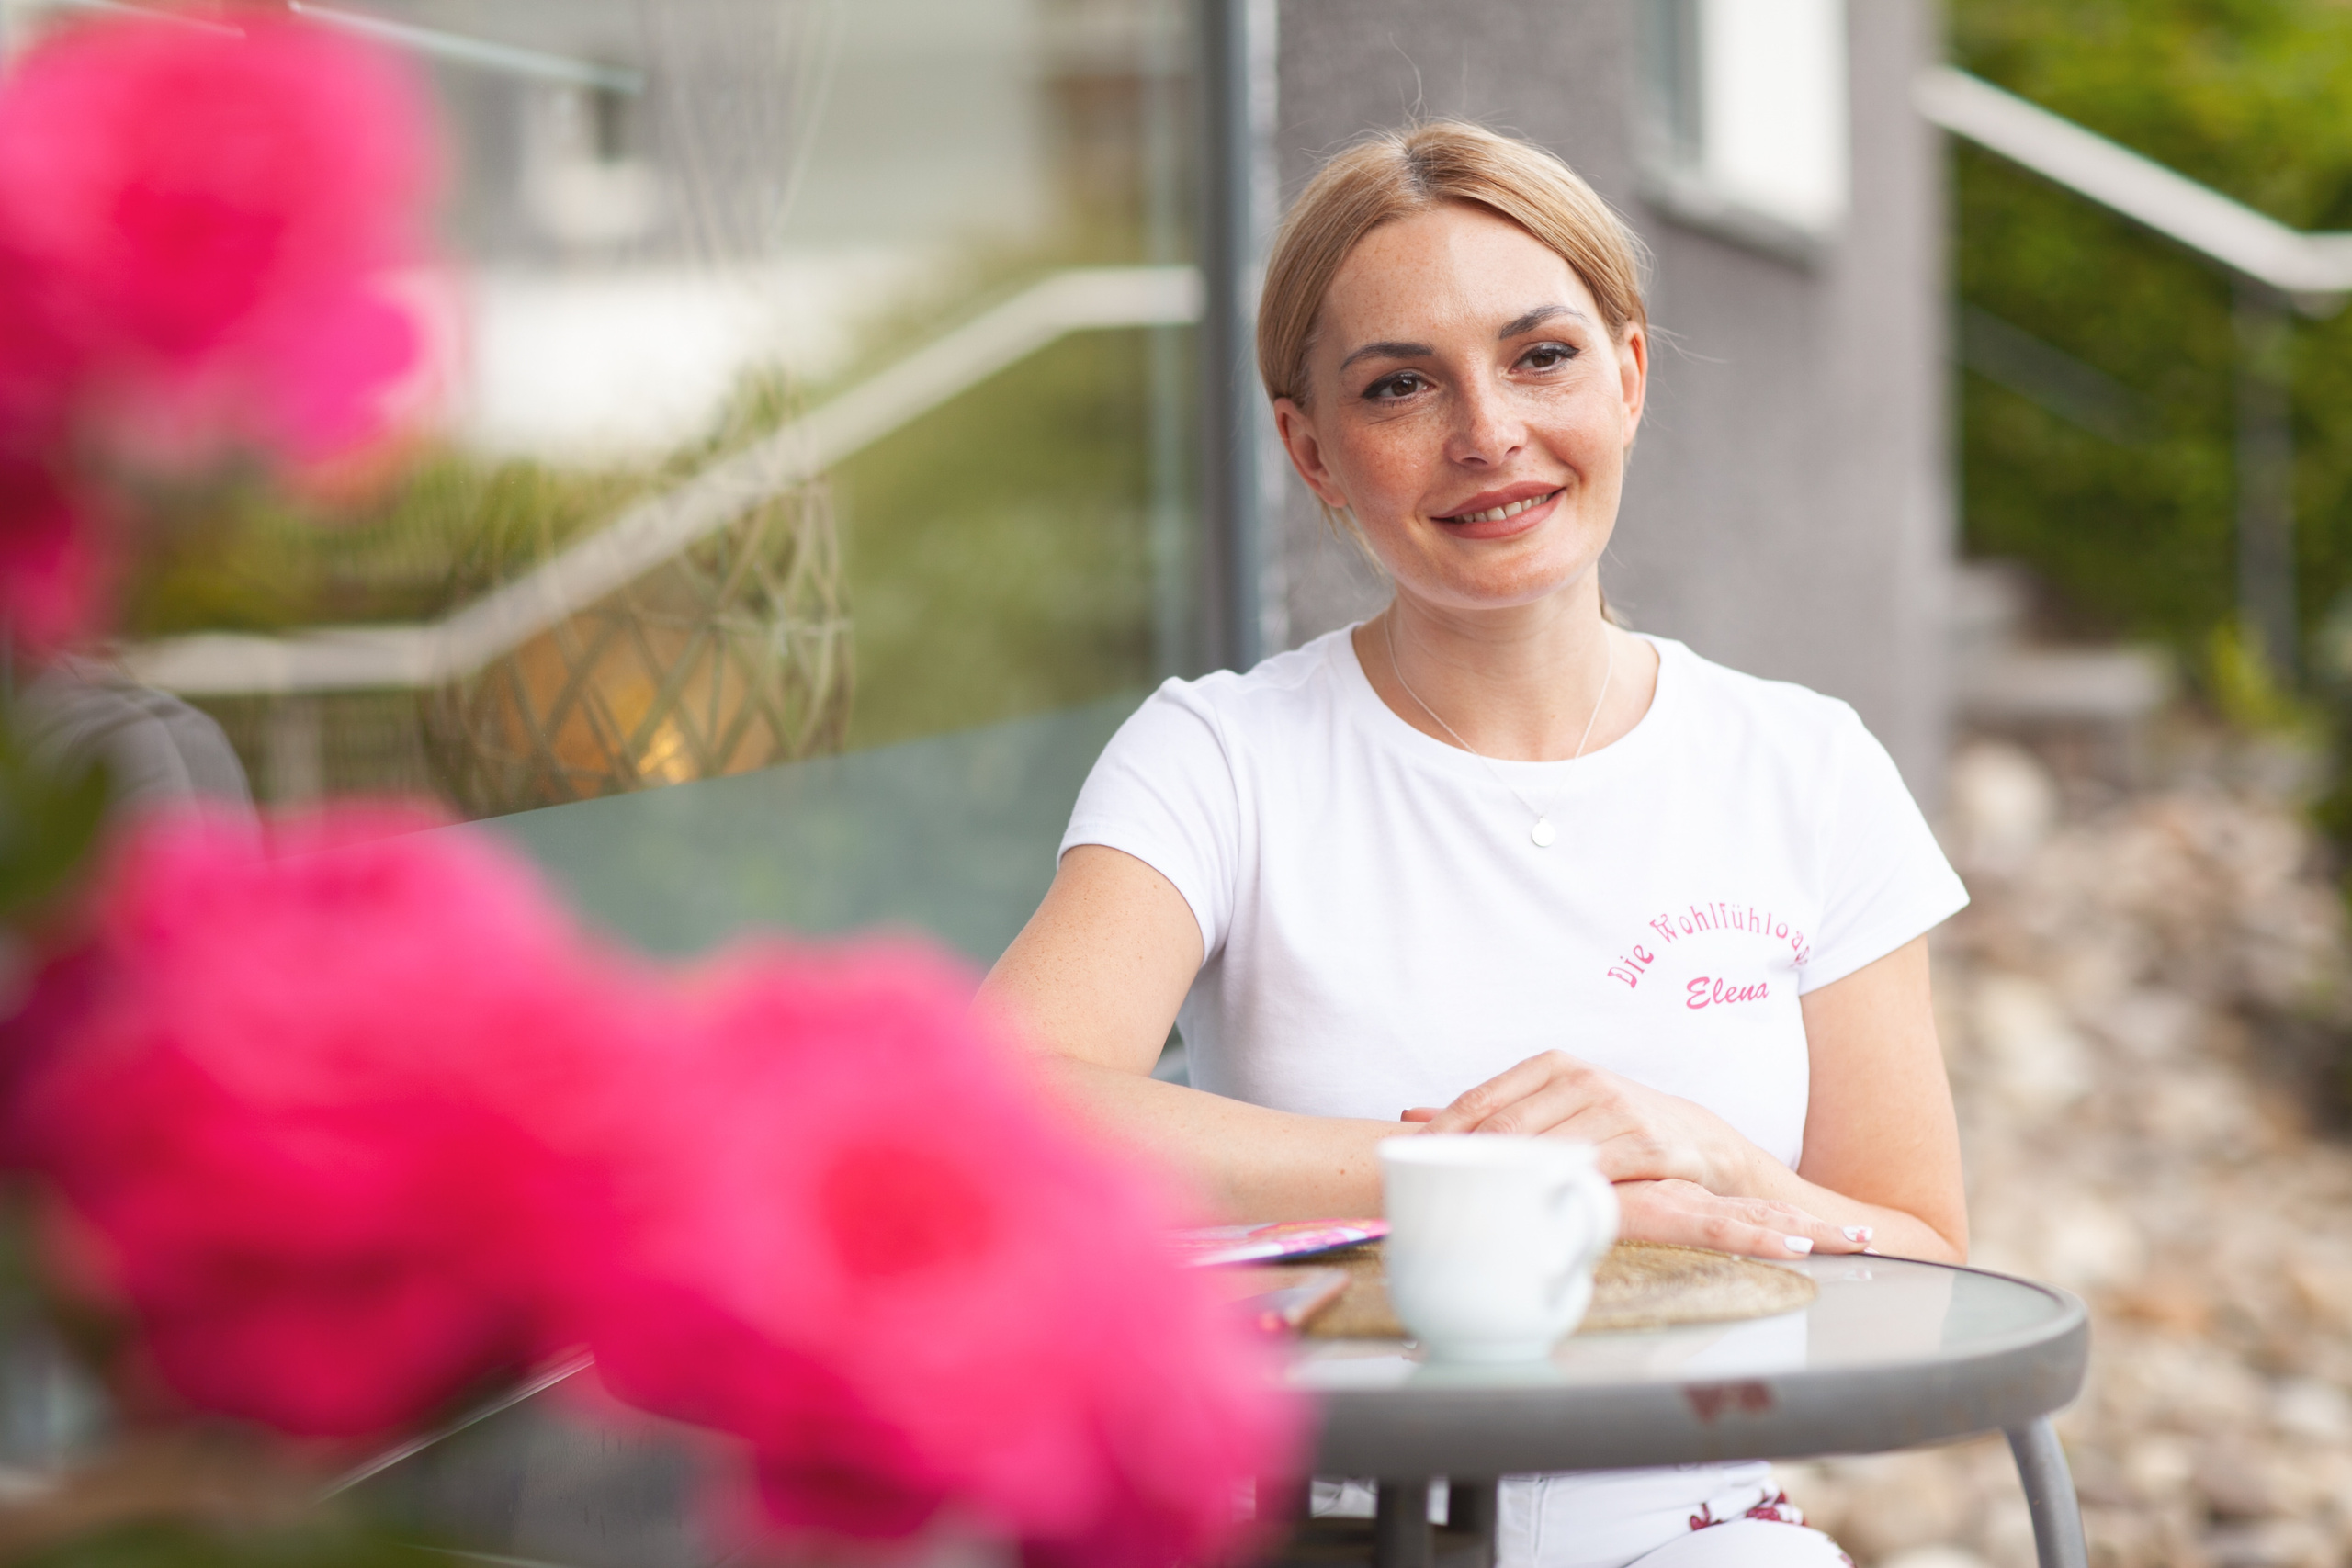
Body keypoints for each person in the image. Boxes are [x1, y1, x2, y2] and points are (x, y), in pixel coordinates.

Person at [978, 121, 1968, 1568]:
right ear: (1311, 450)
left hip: (1690, 1535)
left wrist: (1712, 1159)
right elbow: (1000, 1108)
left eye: (1541, 356)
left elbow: (1932, 1271)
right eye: (1400, 385)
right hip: (1323, 1531)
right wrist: (1489, 1185)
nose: (1488, 433)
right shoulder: (1221, 757)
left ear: (1629, 375)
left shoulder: (1808, 769)